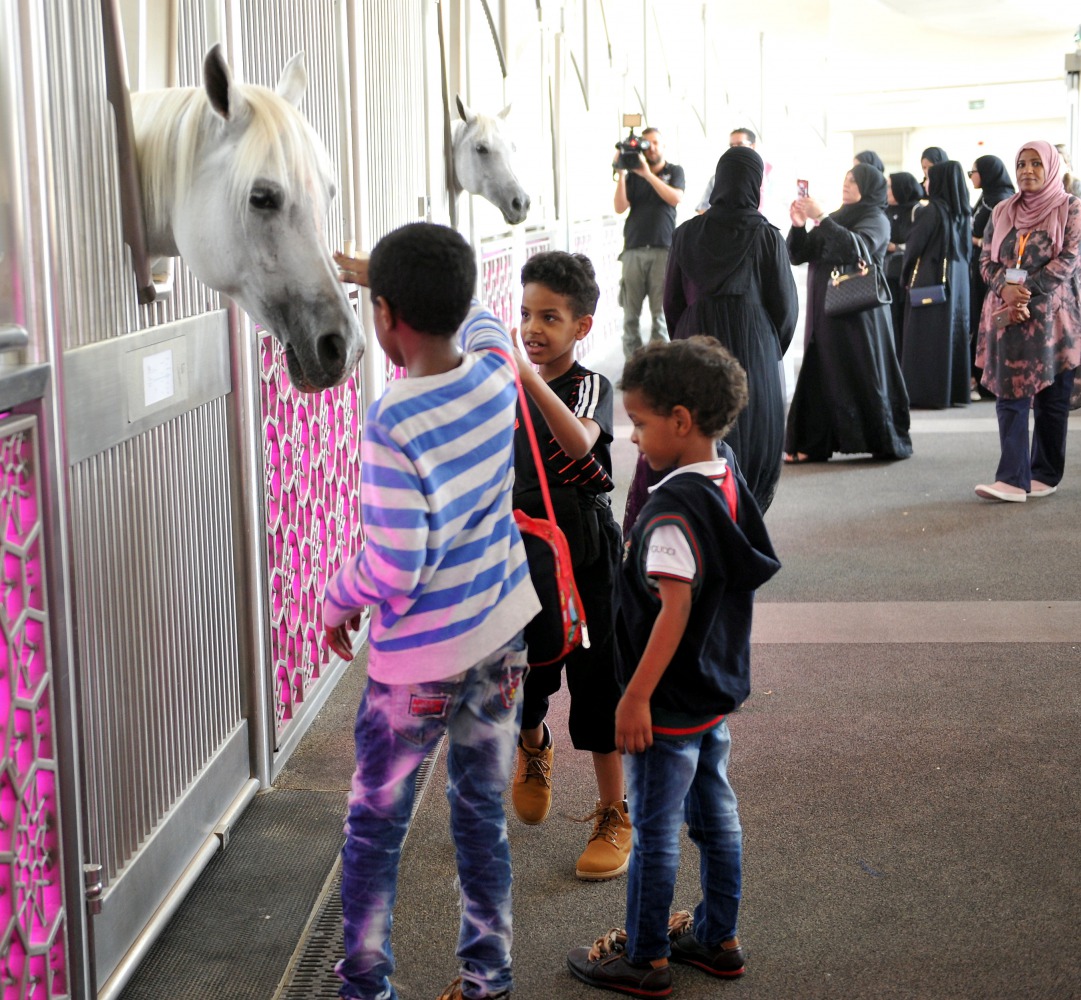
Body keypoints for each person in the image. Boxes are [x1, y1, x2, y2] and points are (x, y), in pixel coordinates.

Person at [324, 222, 541, 1000]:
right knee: (479, 811)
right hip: (501, 635)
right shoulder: (495, 375)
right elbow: (480, 317)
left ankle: (365, 988)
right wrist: (392, 276)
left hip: (416, 664)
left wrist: (333, 597)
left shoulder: (391, 420)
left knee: (376, 827)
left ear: (383, 317)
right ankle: (488, 979)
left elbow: (393, 565)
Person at [566, 337, 781, 996]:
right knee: (716, 815)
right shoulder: (727, 475)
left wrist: (633, 699)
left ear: (681, 421)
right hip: (712, 690)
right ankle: (718, 937)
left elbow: (673, 609)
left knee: (655, 828)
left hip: (665, 701)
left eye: (640, 422)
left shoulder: (669, 513)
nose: (631, 437)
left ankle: (646, 956)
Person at [508, 251, 630, 880]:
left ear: (581, 327)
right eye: (526, 314)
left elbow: (580, 443)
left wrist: (529, 381)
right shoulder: (506, 381)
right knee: (525, 666)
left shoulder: (587, 384)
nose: (533, 328)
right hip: (522, 544)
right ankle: (533, 745)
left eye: (549, 317)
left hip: (582, 547)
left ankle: (615, 811)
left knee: (597, 676)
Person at [661, 145, 798, 513]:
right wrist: (768, 351)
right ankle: (743, 525)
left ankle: (704, 524)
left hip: (696, 345)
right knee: (753, 438)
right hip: (753, 352)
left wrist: (688, 342)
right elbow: (786, 308)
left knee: (702, 434)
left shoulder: (686, 233)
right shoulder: (766, 235)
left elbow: (671, 302)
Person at [974, 140, 1081, 502]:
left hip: (1055, 319)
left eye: (1036, 164)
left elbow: (1069, 259)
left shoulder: (1071, 208)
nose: (1028, 171)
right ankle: (1012, 478)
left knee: (1052, 398)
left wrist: (1027, 290)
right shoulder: (1003, 210)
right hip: (1008, 316)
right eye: (1021, 164)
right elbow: (986, 260)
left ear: (1050, 167)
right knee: (1010, 395)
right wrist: (1005, 288)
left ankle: (1045, 474)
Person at [783, 163, 913, 463]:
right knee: (822, 372)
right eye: (846, 178)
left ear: (868, 187)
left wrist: (822, 217)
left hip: (859, 314)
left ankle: (880, 439)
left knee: (861, 371)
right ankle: (812, 443)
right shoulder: (838, 217)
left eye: (854, 181)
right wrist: (799, 224)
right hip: (825, 312)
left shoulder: (875, 218)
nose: (847, 184)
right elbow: (798, 254)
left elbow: (858, 251)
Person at [899, 160, 972, 408]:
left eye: (929, 178)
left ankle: (925, 394)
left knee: (925, 339)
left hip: (930, 282)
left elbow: (913, 248)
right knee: (951, 338)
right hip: (957, 286)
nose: (925, 183)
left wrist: (905, 276)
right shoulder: (962, 213)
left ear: (939, 182)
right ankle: (952, 392)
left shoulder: (931, 210)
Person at [613, 126, 686, 359]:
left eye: (655, 143)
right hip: (633, 249)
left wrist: (647, 174)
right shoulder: (632, 174)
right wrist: (622, 172)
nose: (651, 148)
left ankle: (658, 370)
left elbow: (674, 198)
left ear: (663, 146)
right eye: (647, 143)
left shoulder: (674, 171)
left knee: (661, 315)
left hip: (663, 250)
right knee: (630, 315)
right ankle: (633, 370)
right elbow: (620, 207)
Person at [968, 155, 1015, 400]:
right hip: (981, 268)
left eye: (973, 172)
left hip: (995, 274)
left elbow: (996, 242)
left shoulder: (1000, 202)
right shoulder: (986, 198)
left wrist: (973, 240)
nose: (971, 176)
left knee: (988, 323)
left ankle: (989, 381)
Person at [884, 171, 927, 353]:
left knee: (905, 321)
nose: (887, 191)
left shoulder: (918, 211)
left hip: (907, 276)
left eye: (890, 187)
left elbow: (918, 243)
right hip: (888, 275)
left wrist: (896, 247)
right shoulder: (885, 210)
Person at [693, 128, 769, 214]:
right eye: (732, 145)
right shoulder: (716, 179)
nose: (734, 149)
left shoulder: (765, 177)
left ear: (753, 146)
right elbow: (702, 208)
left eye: (740, 144)